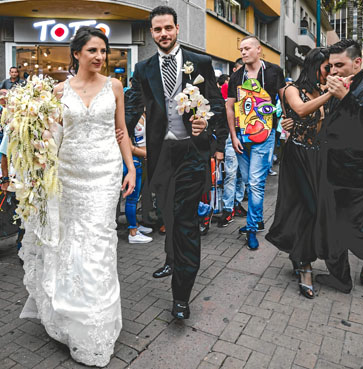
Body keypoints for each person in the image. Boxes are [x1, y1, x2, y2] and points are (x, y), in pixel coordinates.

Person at [18, 27, 136, 367]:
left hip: (104, 173)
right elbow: (53, 137)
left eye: (104, 51)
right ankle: (70, 319)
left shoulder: (114, 86)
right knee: (71, 242)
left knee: (98, 242)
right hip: (69, 175)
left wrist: (129, 167)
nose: (100, 57)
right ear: (77, 53)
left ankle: (97, 325)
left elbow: (121, 130)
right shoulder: (58, 90)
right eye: (93, 51)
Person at [125, 6, 227, 320]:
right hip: (160, 157)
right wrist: (115, 141)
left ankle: (181, 297)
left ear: (177, 28)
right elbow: (131, 109)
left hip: (190, 155)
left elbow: (217, 106)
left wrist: (207, 129)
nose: (163, 34)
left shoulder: (201, 62)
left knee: (185, 224)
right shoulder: (143, 69)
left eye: (168, 28)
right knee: (166, 214)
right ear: (152, 33)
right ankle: (171, 258)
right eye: (157, 30)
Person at [315, 39, 363, 293]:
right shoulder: (335, 86)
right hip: (332, 170)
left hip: (359, 176)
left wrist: (345, 96)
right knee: (331, 229)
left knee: (352, 230)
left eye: (340, 65)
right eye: (331, 66)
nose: (333, 71)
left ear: (357, 63)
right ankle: (341, 278)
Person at [266, 48, 333, 299]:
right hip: (298, 157)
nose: (330, 72)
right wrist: (330, 95)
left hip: (319, 158)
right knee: (309, 209)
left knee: (314, 211)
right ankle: (305, 267)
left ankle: (300, 255)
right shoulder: (295, 89)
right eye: (327, 67)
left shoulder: (325, 91)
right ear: (315, 66)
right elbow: (301, 110)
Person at [226, 35, 285, 250]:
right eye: (241, 49)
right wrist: (233, 135)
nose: (243, 52)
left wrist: (285, 124)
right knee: (248, 182)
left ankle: (251, 229)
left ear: (259, 50)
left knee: (256, 183)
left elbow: (283, 97)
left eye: (247, 48)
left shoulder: (273, 71)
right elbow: (229, 107)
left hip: (264, 134)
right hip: (242, 136)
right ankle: (256, 220)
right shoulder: (236, 77)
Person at [219, 59, 246, 228]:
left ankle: (236, 204)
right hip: (230, 136)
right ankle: (228, 209)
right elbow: (222, 119)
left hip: (246, 136)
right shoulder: (229, 89)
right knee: (230, 173)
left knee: (242, 175)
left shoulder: (252, 88)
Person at [125, 112, 154, 243]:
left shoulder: (145, 113)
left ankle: (135, 225)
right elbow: (129, 146)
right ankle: (132, 232)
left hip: (143, 159)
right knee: (132, 197)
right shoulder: (129, 117)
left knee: (136, 197)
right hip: (134, 160)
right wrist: (147, 153)